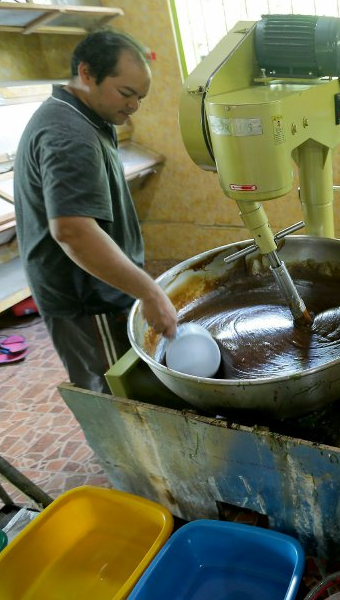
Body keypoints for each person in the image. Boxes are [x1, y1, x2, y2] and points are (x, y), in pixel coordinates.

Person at [14, 29, 177, 394]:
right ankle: (122, 452)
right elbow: (73, 231)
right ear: (87, 73)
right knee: (113, 393)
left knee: (124, 384)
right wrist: (150, 293)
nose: (134, 105)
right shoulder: (69, 134)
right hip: (84, 300)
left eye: (140, 97)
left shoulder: (87, 116)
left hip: (97, 289)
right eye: (126, 93)